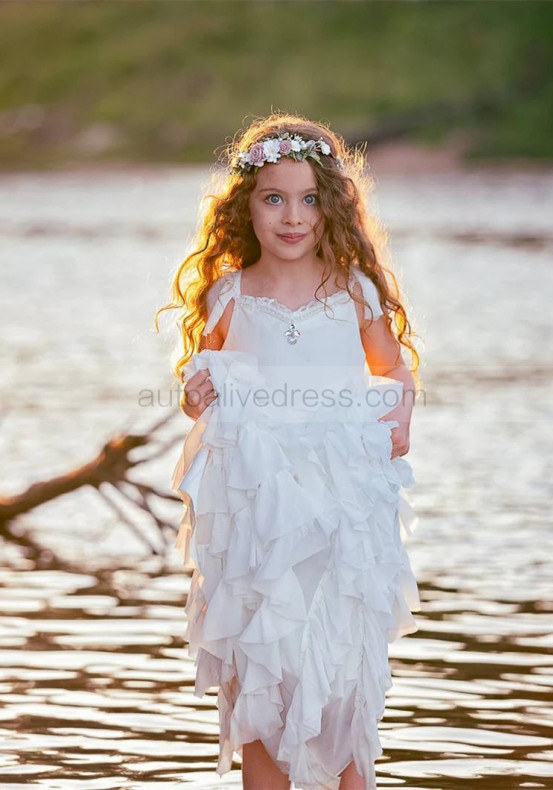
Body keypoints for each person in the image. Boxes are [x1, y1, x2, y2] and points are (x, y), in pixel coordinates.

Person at [155, 112, 423, 790]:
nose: (292, 217)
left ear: (332, 205)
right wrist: (199, 391)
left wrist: (399, 417)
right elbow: (196, 383)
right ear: (246, 206)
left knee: (339, 672)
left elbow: (392, 372)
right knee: (264, 671)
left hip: (338, 517)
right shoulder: (230, 294)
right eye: (274, 198)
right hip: (259, 524)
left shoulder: (354, 293)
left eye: (308, 199)